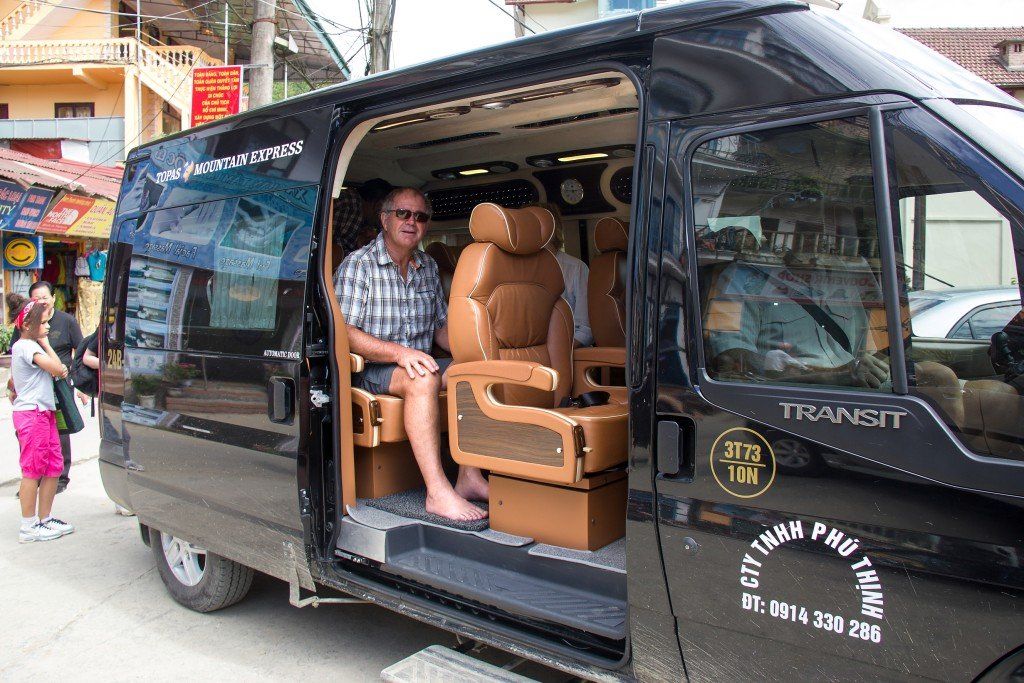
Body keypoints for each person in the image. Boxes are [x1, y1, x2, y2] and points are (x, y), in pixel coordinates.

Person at [334, 187, 488, 522]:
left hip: (417, 363)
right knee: (424, 377)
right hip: (371, 369)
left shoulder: (428, 267)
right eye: (403, 213)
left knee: (473, 369)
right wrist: (399, 352)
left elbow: (441, 331)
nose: (411, 221)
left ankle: (469, 476)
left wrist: (481, 346)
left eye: (420, 216)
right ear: (385, 219)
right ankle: (436, 492)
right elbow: (343, 333)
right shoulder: (358, 265)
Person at [10, 299, 74, 542]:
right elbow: (58, 369)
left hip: (43, 413)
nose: (48, 327)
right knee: (33, 469)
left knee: (52, 466)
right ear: (27, 325)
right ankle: (28, 526)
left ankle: (44, 519)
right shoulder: (25, 346)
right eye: (44, 323)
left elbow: (59, 368)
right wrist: (46, 345)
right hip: (31, 414)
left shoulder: (29, 345)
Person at [9, 281, 83, 493]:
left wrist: (79, 383)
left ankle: (59, 478)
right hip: (35, 399)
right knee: (34, 453)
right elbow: (51, 367)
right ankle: (33, 491)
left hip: (58, 387)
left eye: (44, 297)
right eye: (36, 298)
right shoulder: (28, 338)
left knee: (60, 432)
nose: (41, 301)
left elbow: (77, 353)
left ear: (53, 297)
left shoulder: (66, 321)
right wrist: (12, 388)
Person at [533, 203, 593, 347]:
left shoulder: (576, 268)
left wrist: (557, 352)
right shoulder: (515, 271)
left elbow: (585, 330)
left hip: (567, 352)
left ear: (553, 228)